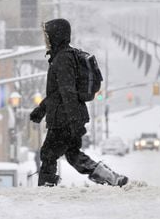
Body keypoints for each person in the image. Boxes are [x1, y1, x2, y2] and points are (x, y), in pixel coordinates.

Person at [30, 18, 128, 187]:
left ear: (57, 36)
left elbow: (67, 92)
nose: (46, 39)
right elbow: (58, 93)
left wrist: (74, 121)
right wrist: (41, 110)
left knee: (48, 154)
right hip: (67, 115)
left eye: (48, 35)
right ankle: (110, 177)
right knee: (72, 154)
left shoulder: (63, 59)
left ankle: (46, 188)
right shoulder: (64, 56)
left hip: (64, 118)